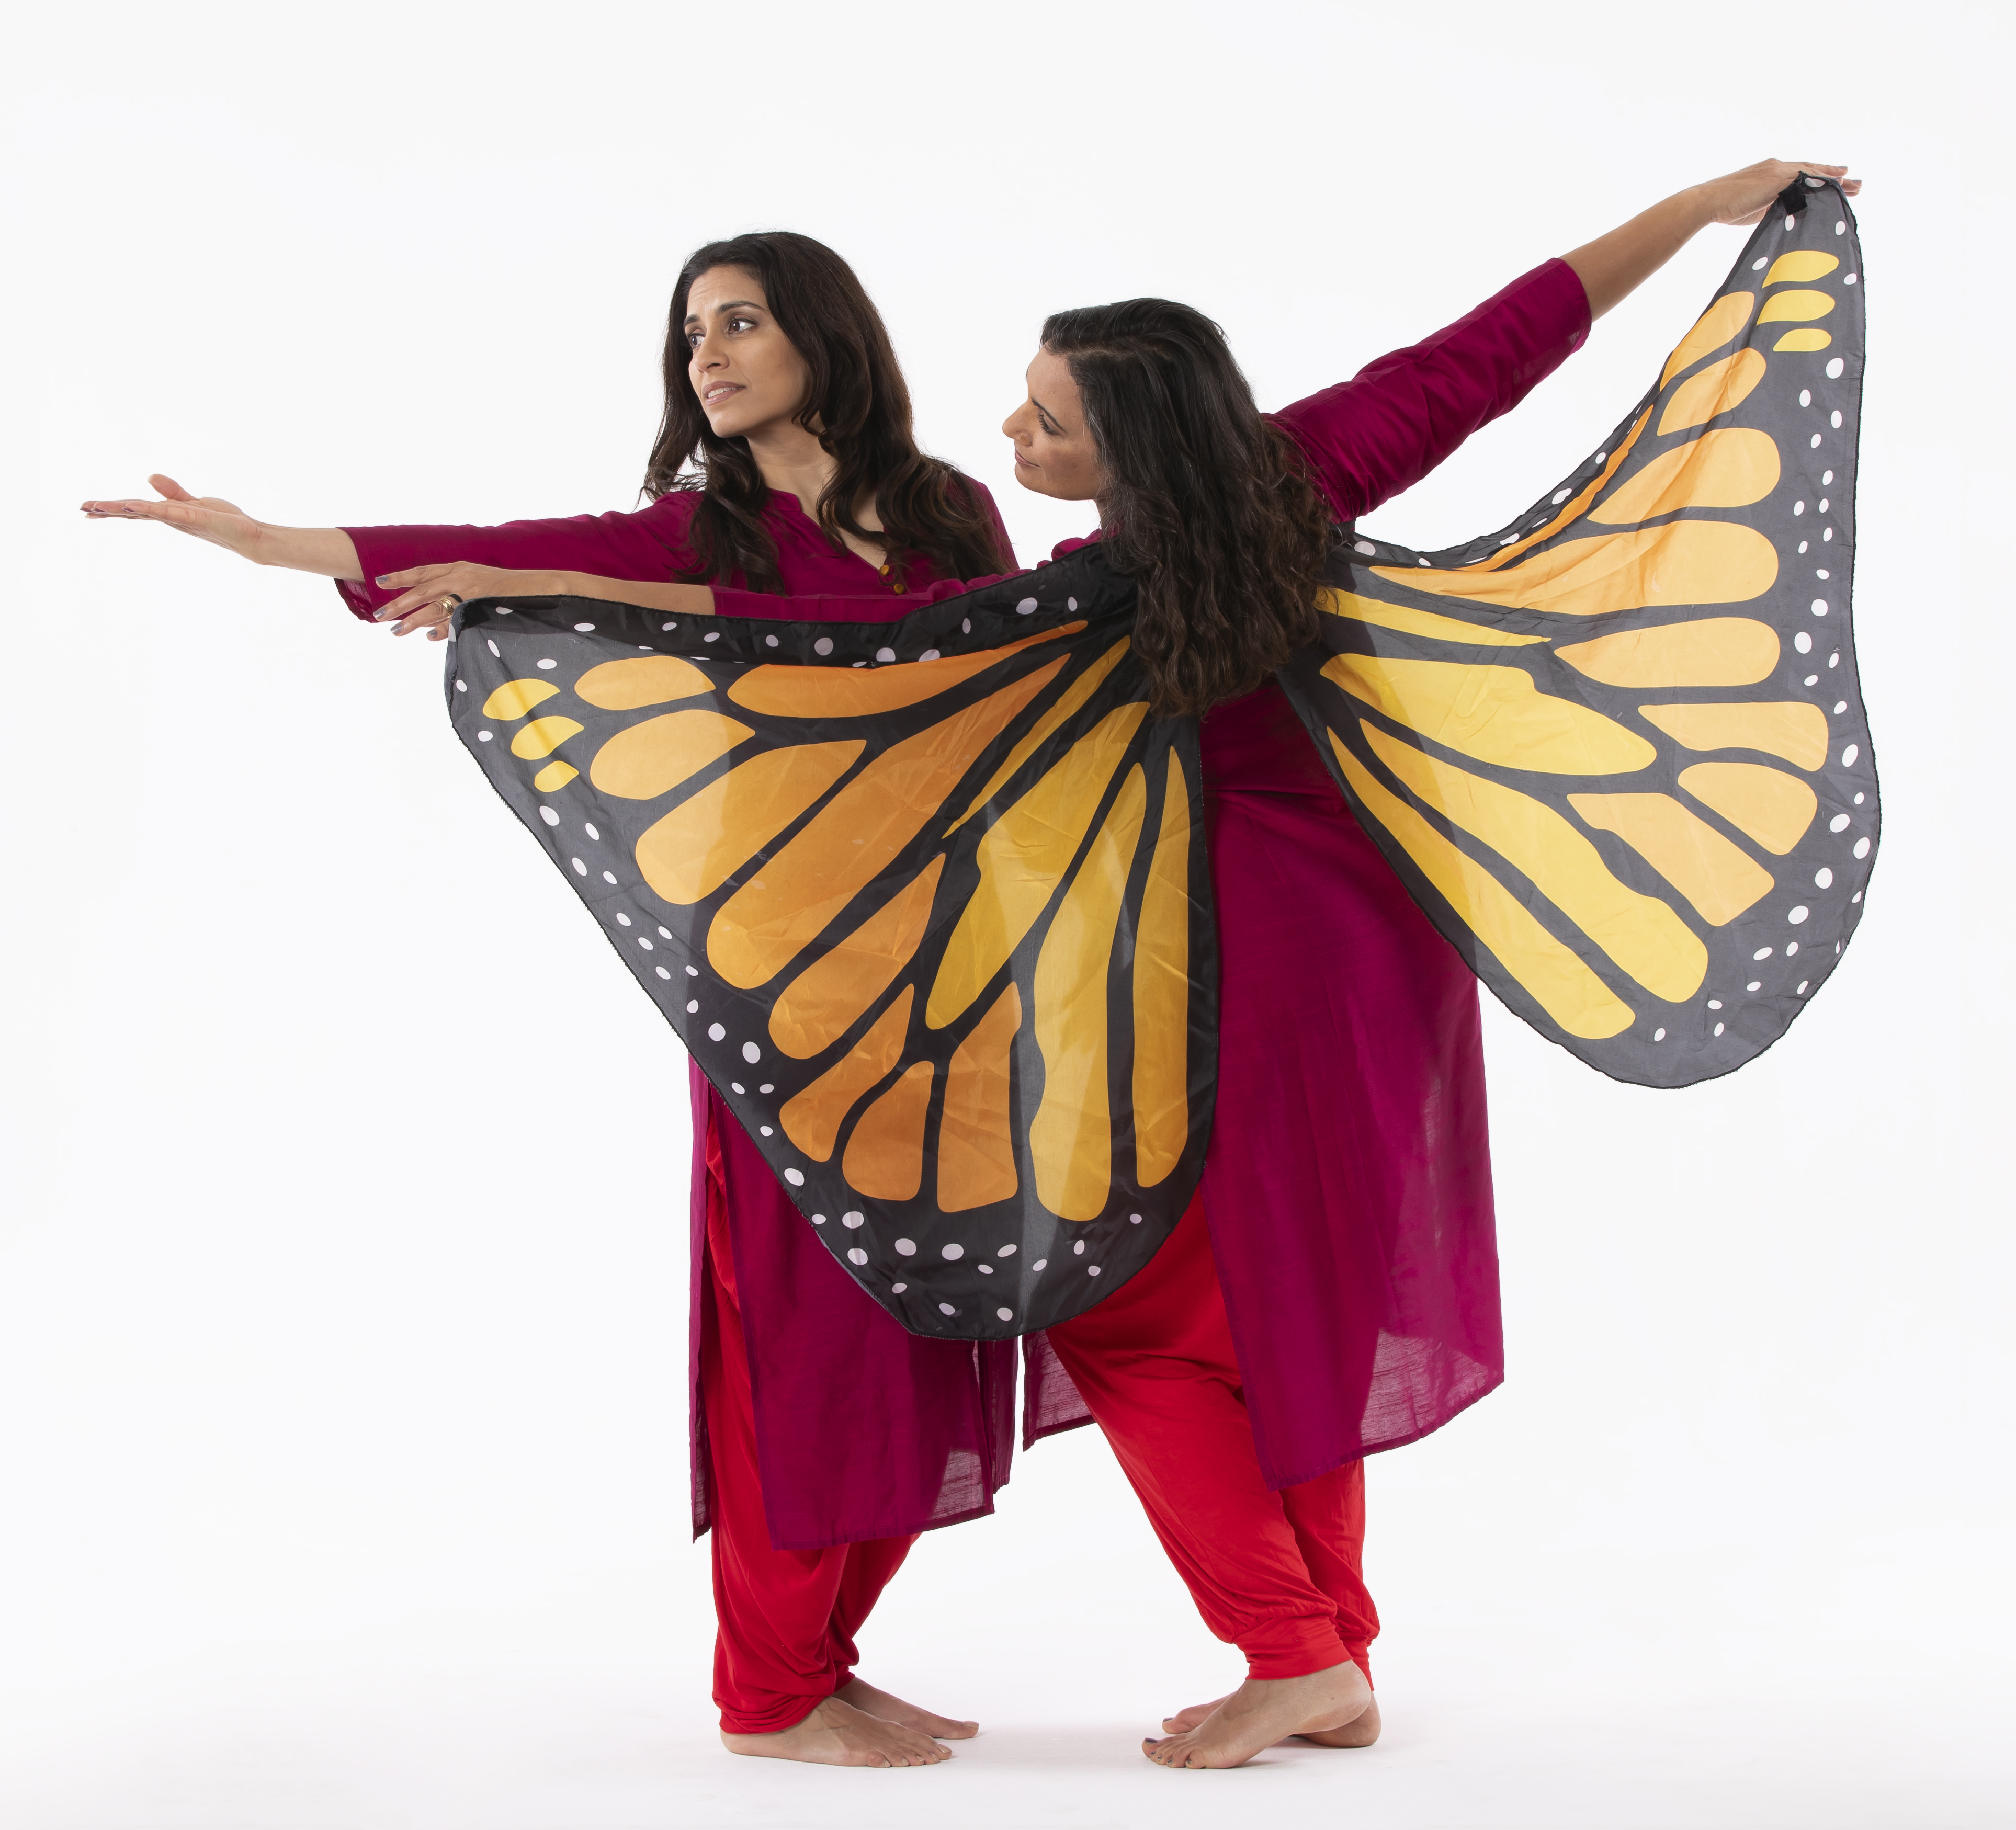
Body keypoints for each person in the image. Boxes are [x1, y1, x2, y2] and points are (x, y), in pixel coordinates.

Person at [363, 157, 1854, 1771]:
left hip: (1211, 977)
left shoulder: (1085, 596)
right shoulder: (1302, 470)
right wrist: (1708, 209)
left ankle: (1290, 1649)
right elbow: (1498, 344)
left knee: (1125, 1306)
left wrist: (533, 588)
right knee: (1289, 1310)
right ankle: (1331, 1643)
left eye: (1044, 419)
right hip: (1379, 962)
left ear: (1122, 445)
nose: (1011, 440)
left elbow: (838, 659)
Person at [83, 232, 1020, 1770]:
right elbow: (484, 537)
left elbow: (996, 679)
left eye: (740, 322)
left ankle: (824, 1651)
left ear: (825, 339)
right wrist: (263, 539)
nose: (707, 354)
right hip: (781, 977)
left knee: (925, 1310)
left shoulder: (947, 511)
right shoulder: (694, 525)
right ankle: (769, 1690)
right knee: (803, 1321)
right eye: (690, 332)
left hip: (945, 967)